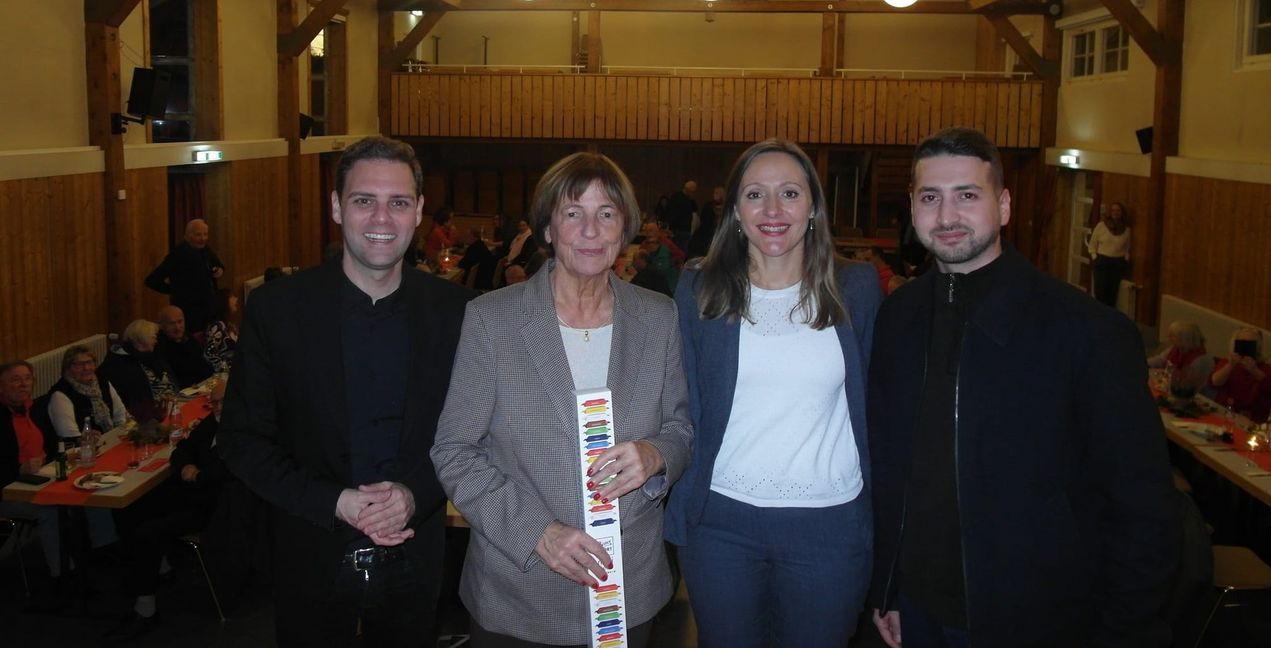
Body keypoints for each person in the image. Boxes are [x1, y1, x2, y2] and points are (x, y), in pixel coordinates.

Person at [868, 127, 1178, 648]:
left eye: (967, 195)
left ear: (1004, 204)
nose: (946, 216)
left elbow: (1143, 509)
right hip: (919, 611)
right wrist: (890, 586)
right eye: (930, 197)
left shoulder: (1087, 332)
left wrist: (1125, 632)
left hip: (1039, 618)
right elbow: (893, 467)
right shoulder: (897, 318)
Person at [217, 135, 474, 647]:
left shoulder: (461, 312)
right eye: (364, 201)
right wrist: (336, 502)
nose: (382, 219)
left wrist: (414, 494)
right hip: (311, 551)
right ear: (336, 207)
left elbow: (476, 433)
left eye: (398, 202)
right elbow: (242, 441)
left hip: (415, 554)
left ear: (419, 210)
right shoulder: (277, 310)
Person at [432, 151, 692, 647]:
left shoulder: (658, 317)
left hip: (628, 586)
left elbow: (681, 428)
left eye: (607, 214)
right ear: (549, 229)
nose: (591, 230)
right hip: (519, 592)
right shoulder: (492, 320)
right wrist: (536, 532)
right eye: (574, 213)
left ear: (625, 229)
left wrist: (657, 455)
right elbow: (453, 451)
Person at [664, 139, 880, 647]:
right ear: (735, 211)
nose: (773, 210)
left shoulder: (857, 288)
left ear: (813, 208)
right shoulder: (699, 289)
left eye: (789, 193)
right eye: (755, 195)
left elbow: (878, 405)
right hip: (721, 527)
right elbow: (680, 401)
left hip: (830, 527)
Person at [104, 379, 231, 642]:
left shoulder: (241, 431)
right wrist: (187, 467)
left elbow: (224, 474)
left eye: (222, 401)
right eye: (214, 401)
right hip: (192, 494)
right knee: (131, 508)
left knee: (149, 531)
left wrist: (198, 475)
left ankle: (145, 608)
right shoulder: (213, 422)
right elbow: (183, 449)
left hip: (216, 508)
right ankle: (153, 570)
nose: (217, 406)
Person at [0, 360, 63, 594]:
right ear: (1, 386)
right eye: (16, 379)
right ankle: (60, 574)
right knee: (51, 509)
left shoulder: (32, 408)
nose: (24, 384)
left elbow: (51, 442)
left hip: (41, 478)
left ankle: (91, 554)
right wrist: (19, 468)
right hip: (9, 489)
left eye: (27, 378)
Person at [144, 218, 225, 331]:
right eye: (198, 235)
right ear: (187, 236)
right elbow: (152, 280)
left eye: (205, 234)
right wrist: (176, 289)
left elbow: (218, 264)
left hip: (209, 310)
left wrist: (220, 270)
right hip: (189, 313)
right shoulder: (177, 256)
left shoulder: (205, 250)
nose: (203, 238)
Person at [97, 319, 178, 421]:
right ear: (142, 339)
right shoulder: (119, 363)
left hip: (170, 404)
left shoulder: (151, 356)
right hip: (147, 416)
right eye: (153, 337)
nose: (156, 341)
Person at [47, 345, 127, 439]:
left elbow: (120, 414)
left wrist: (120, 434)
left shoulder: (101, 381)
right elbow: (70, 436)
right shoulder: (60, 395)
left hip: (110, 440)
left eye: (89, 362)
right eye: (79, 365)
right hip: (84, 447)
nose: (86, 368)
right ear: (68, 368)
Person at [1211, 328, 1271, 422]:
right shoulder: (1227, 363)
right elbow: (1215, 381)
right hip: (1224, 413)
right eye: (1242, 343)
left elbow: (1268, 384)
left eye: (1250, 344)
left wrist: (1254, 370)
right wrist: (1230, 365)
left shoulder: (1265, 368)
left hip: (1251, 419)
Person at [1148, 320, 1214, 398]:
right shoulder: (1176, 349)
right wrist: (1140, 363)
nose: (1171, 339)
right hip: (1173, 390)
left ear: (1190, 340)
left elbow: (1188, 386)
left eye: (1175, 337)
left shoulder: (1201, 360)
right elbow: (1160, 360)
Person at [1087, 201, 1131, 309]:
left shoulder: (1126, 230)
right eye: (1113, 210)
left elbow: (1127, 248)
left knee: (1112, 295)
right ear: (1110, 212)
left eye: (1118, 210)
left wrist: (1125, 259)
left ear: (1122, 213)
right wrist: (1095, 257)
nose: (1115, 212)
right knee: (1100, 293)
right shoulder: (1101, 226)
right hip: (1102, 261)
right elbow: (1092, 244)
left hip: (1117, 264)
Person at [156, 305, 213, 388]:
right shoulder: (160, 346)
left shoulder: (189, 338)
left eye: (180, 321)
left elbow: (203, 363)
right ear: (162, 326)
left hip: (202, 385)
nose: (177, 327)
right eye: (171, 323)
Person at [202, 288, 239, 375]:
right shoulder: (217, 326)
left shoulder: (230, 325)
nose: (236, 299)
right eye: (232, 296)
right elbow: (209, 354)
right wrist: (224, 370)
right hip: (226, 374)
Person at [687, 185, 724, 259]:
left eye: (717, 193)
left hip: (715, 238)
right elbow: (703, 221)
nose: (715, 195)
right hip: (705, 238)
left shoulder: (726, 207)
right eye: (715, 193)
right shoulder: (708, 206)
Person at [665, 179, 698, 251]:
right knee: (679, 251)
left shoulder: (689, 200)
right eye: (693, 191)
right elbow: (670, 212)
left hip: (684, 230)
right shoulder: (677, 198)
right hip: (679, 230)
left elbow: (695, 209)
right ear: (689, 190)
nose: (694, 193)